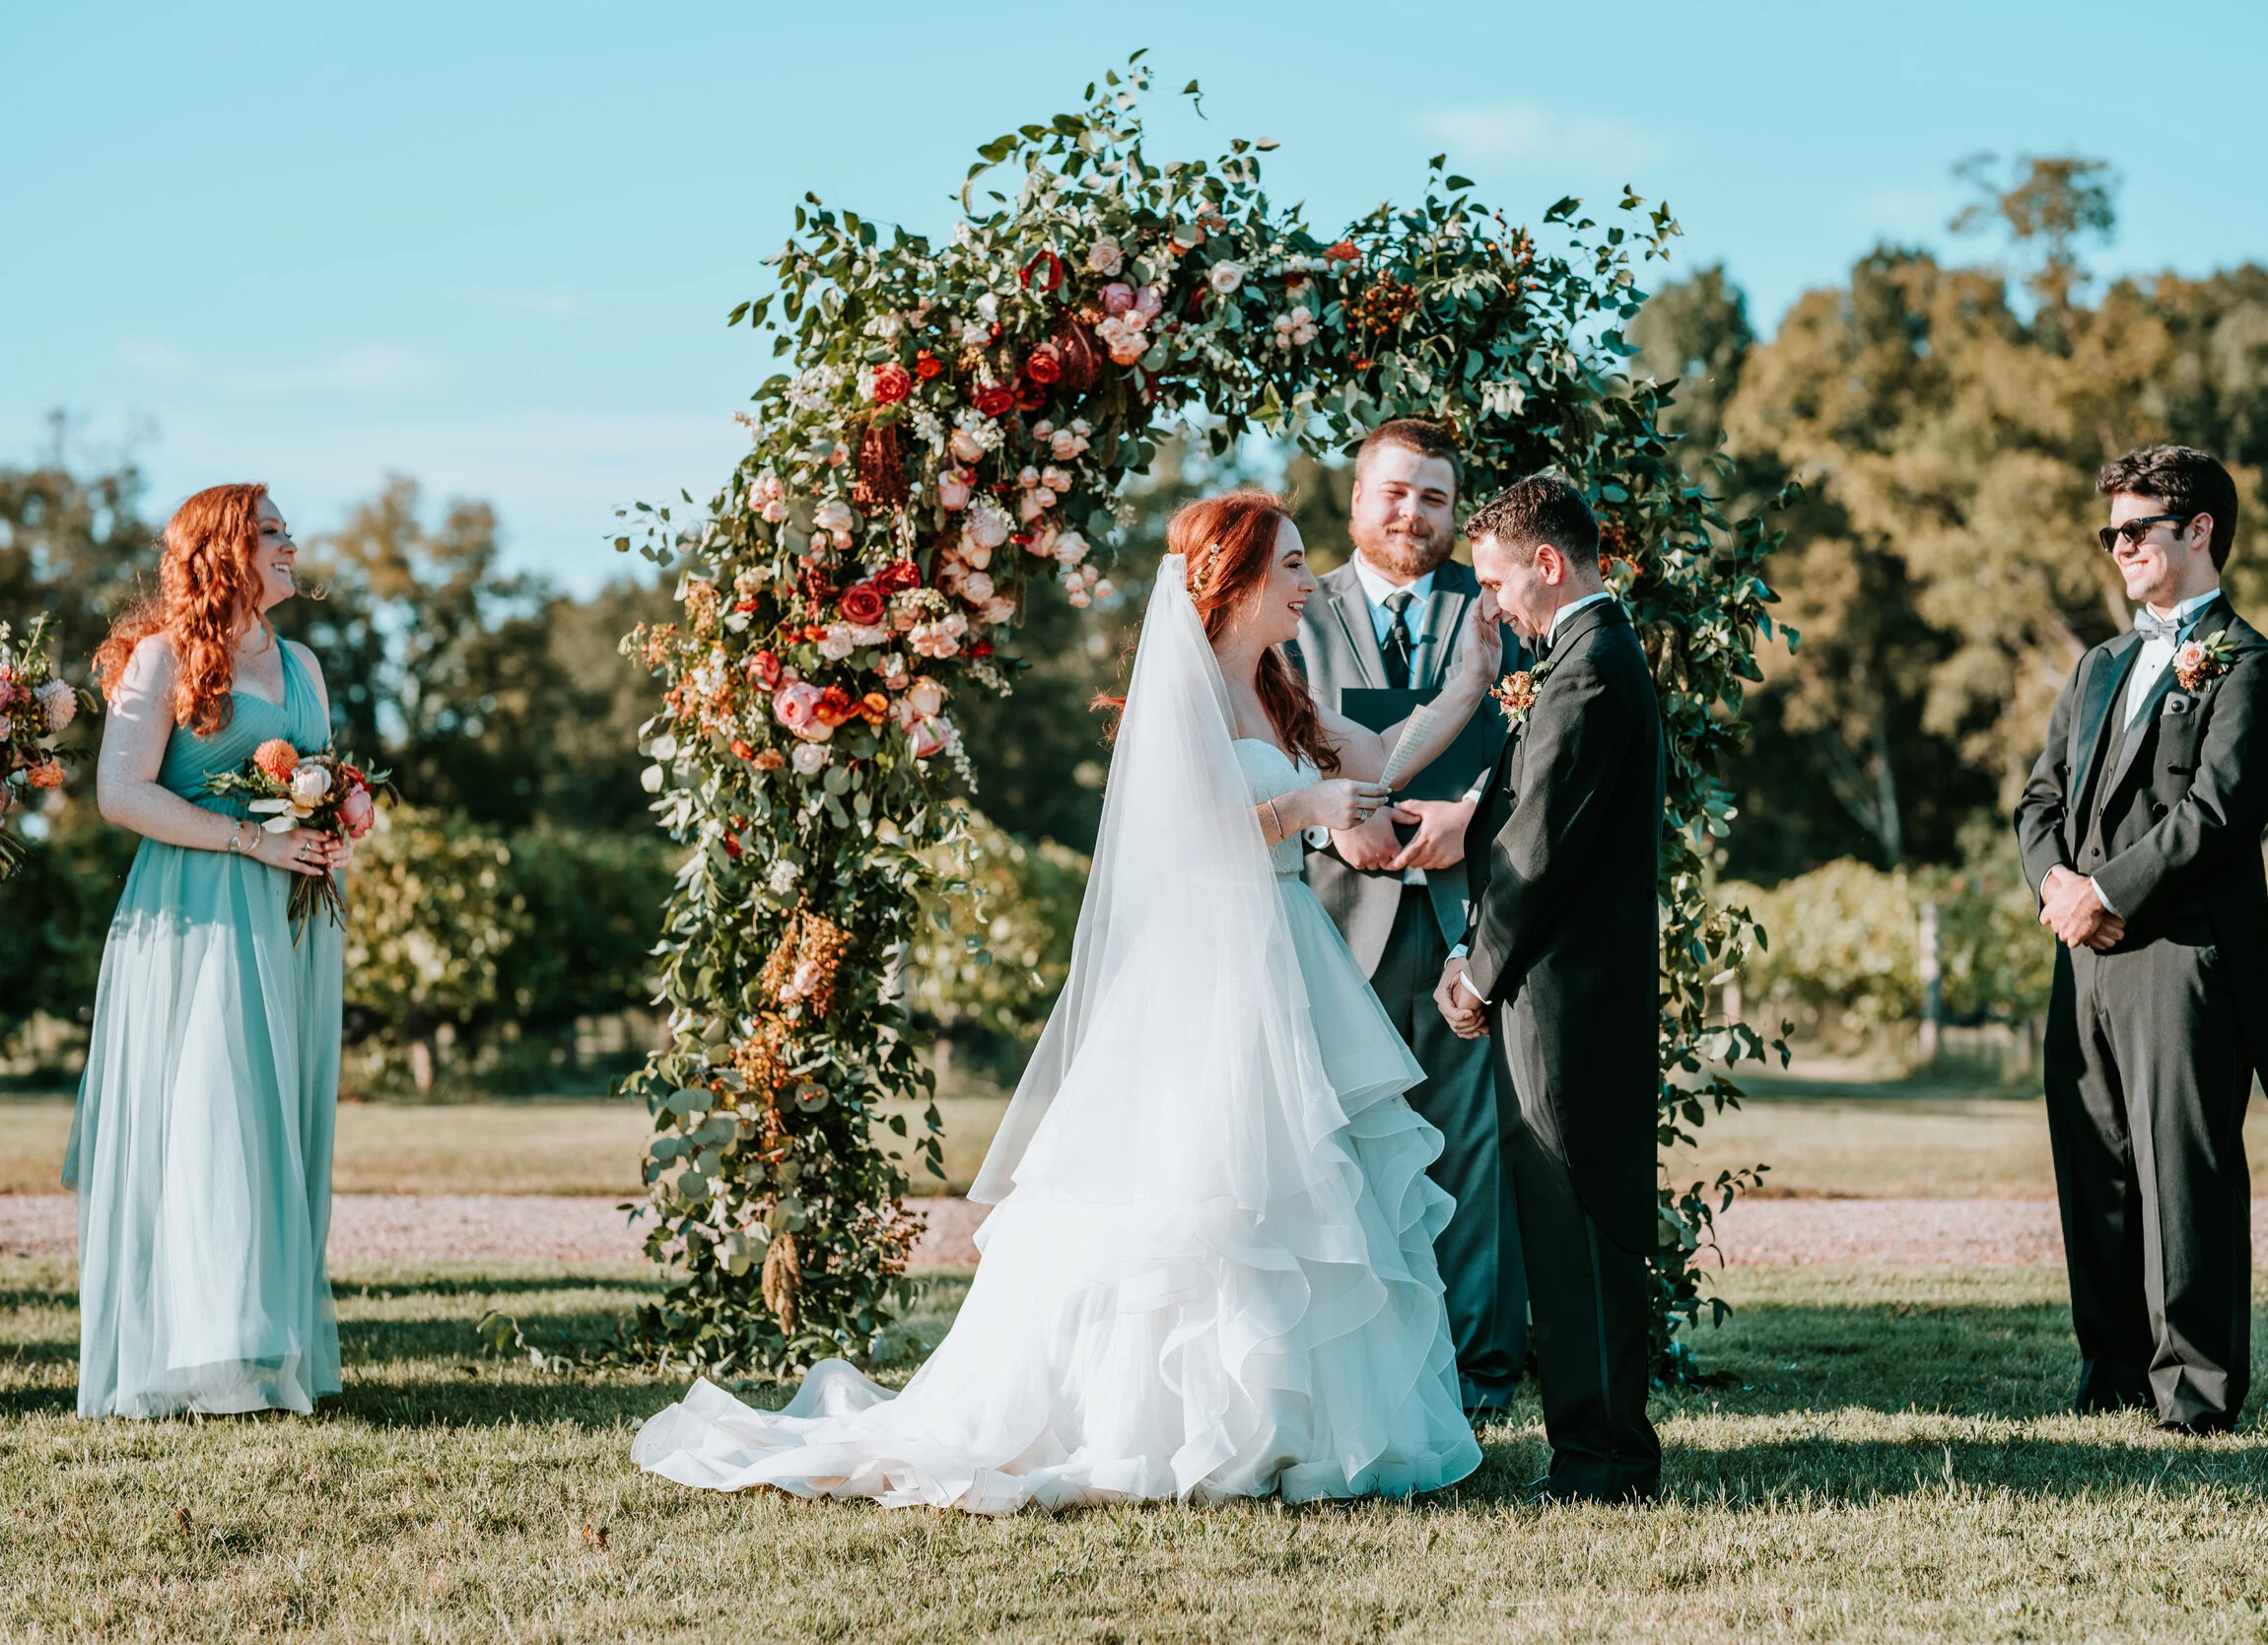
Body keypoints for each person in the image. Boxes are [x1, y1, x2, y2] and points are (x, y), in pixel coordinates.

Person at [634, 491, 1501, 1513]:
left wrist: (1473, 680)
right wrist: (1300, 809)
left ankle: (1285, 1423)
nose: (1312, 583)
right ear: (1240, 580)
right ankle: (1165, 1422)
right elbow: (1177, 839)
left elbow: (1384, 758)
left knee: (1296, 1185)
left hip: (1285, 953)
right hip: (1207, 969)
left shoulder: (1280, 693)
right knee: (1201, 1191)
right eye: (1297, 565)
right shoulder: (1183, 698)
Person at [2013, 445, 2268, 1435]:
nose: (2118, 546)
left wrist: (2108, 891)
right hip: (2079, 952)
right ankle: (2111, 1366)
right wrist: (2057, 888)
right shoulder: (2098, 664)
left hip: (2180, 954)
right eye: (2109, 531)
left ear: (2198, 529)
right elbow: (2038, 798)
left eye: (2136, 528)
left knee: (2181, 1173)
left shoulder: (2253, 667)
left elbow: (2217, 812)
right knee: (2094, 1163)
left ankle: (2195, 1385)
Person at [70, 483, 352, 1418]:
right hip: (196, 915)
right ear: (226, 548)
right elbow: (121, 794)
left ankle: (269, 1349)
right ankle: (205, 1353)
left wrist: (342, 824)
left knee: (280, 1121)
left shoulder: (305, 663)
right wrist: (250, 840)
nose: (291, 545)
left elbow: (329, 777)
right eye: (273, 532)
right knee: (212, 1119)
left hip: (296, 918)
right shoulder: (161, 658)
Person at [1289, 417, 1528, 1423]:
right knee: (1333, 1148)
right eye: (1394, 491)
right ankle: (1346, 1373)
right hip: (1331, 928)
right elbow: (1255, 744)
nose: (1411, 512)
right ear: (1355, 500)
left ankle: (1475, 1375)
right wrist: (1325, 830)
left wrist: (1474, 819)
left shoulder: (1500, 613)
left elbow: (1542, 744)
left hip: (1470, 921)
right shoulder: (1296, 609)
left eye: (1433, 497)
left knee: (1472, 1151)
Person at [1434, 475, 1666, 1505]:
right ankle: (1592, 1447)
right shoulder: (1585, 661)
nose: (1492, 606)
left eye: (1495, 582)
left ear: (1548, 563)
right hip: (1566, 990)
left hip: (1567, 997)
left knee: (1579, 1222)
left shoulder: (1589, 672)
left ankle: (1604, 1458)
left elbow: (1539, 848)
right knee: (1569, 1218)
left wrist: (1478, 976)